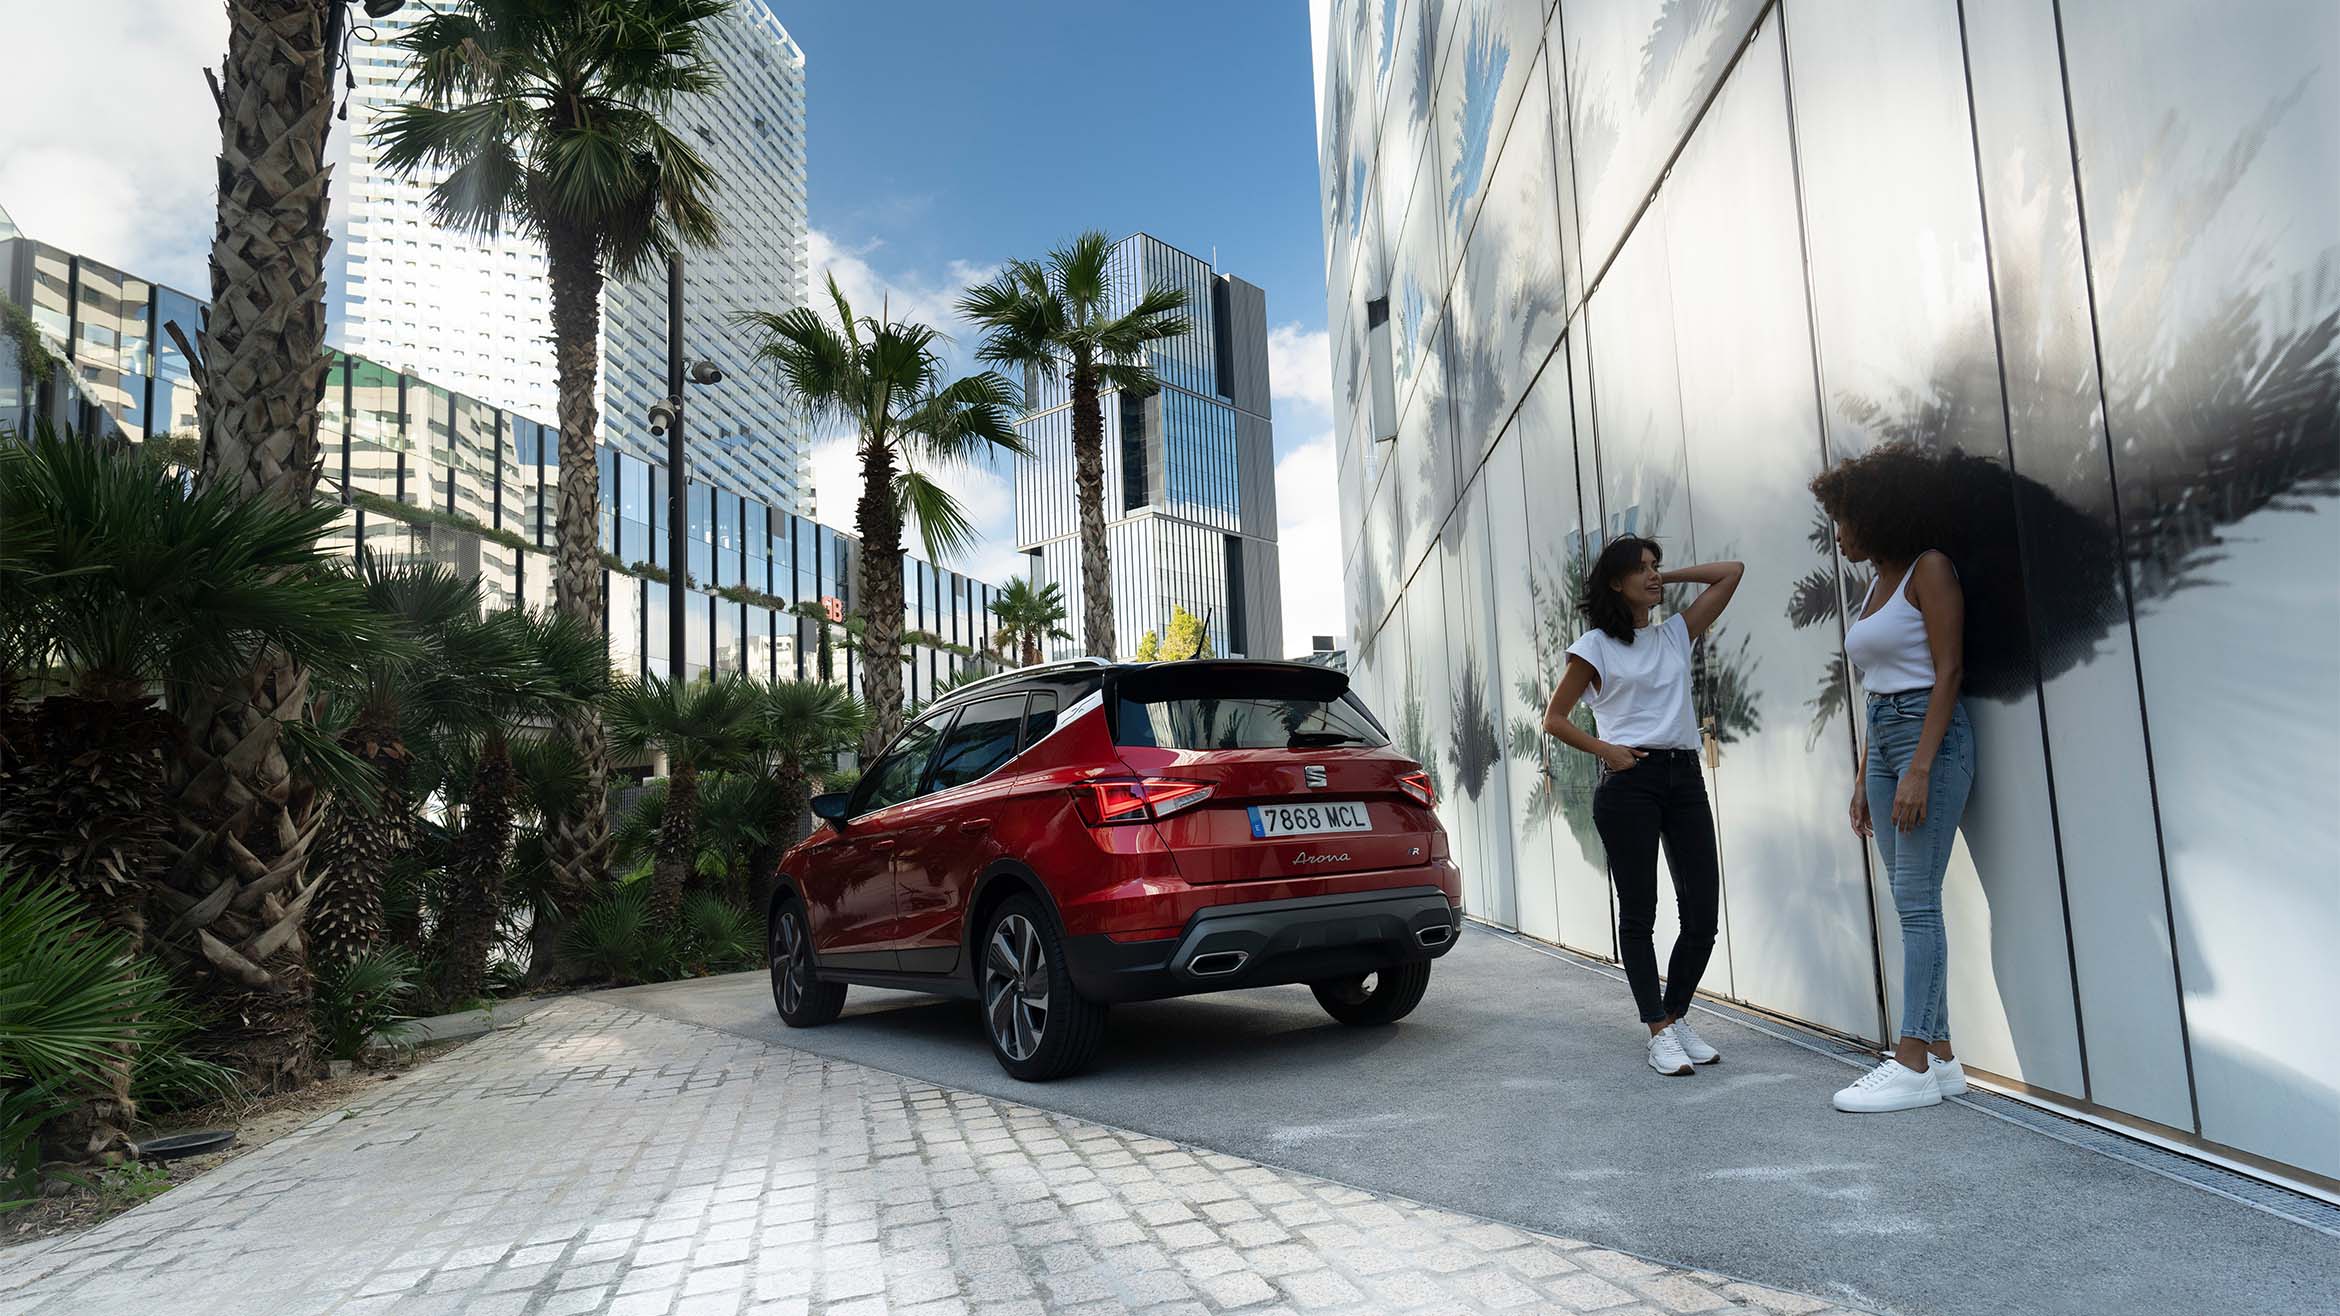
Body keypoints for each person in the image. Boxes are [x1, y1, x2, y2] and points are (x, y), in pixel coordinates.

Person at [1813, 443, 1976, 1114]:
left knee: (1916, 902)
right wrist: (1863, 778)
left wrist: (1918, 768)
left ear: (1876, 514)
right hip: (1884, 739)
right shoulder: (1878, 581)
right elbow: (1876, 686)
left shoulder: (1929, 570)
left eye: (1845, 518)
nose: (1838, 532)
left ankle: (1910, 1061)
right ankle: (1939, 1059)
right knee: (1912, 899)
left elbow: (1950, 672)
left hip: (1923, 740)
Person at [1542, 537, 1743, 1076]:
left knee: (1701, 912)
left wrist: (1666, 577)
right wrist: (1606, 749)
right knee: (1640, 914)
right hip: (1630, 781)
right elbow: (1555, 718)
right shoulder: (1595, 646)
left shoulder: (1675, 634)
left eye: (1656, 566)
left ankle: (1675, 1017)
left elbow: (1731, 571)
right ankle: (1657, 1029)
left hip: (1684, 777)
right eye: (1643, 569)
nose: (1653, 575)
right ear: (1615, 581)